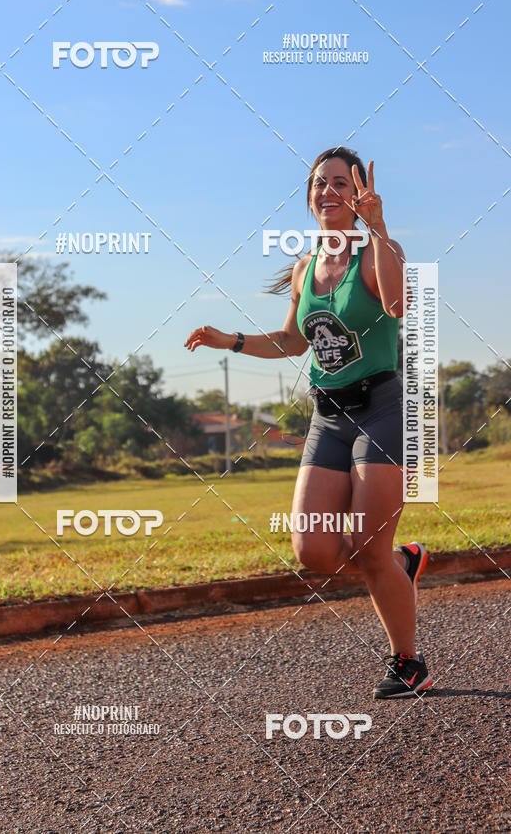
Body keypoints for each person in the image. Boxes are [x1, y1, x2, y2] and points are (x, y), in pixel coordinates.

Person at [184, 146, 433, 699]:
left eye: (340, 183)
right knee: (313, 552)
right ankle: (401, 562)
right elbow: (295, 341)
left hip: (382, 411)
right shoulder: (304, 269)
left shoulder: (377, 254)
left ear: (358, 193)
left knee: (366, 549)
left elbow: (397, 305)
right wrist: (231, 340)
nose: (328, 192)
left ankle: (407, 661)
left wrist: (381, 227)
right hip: (328, 417)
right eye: (319, 183)